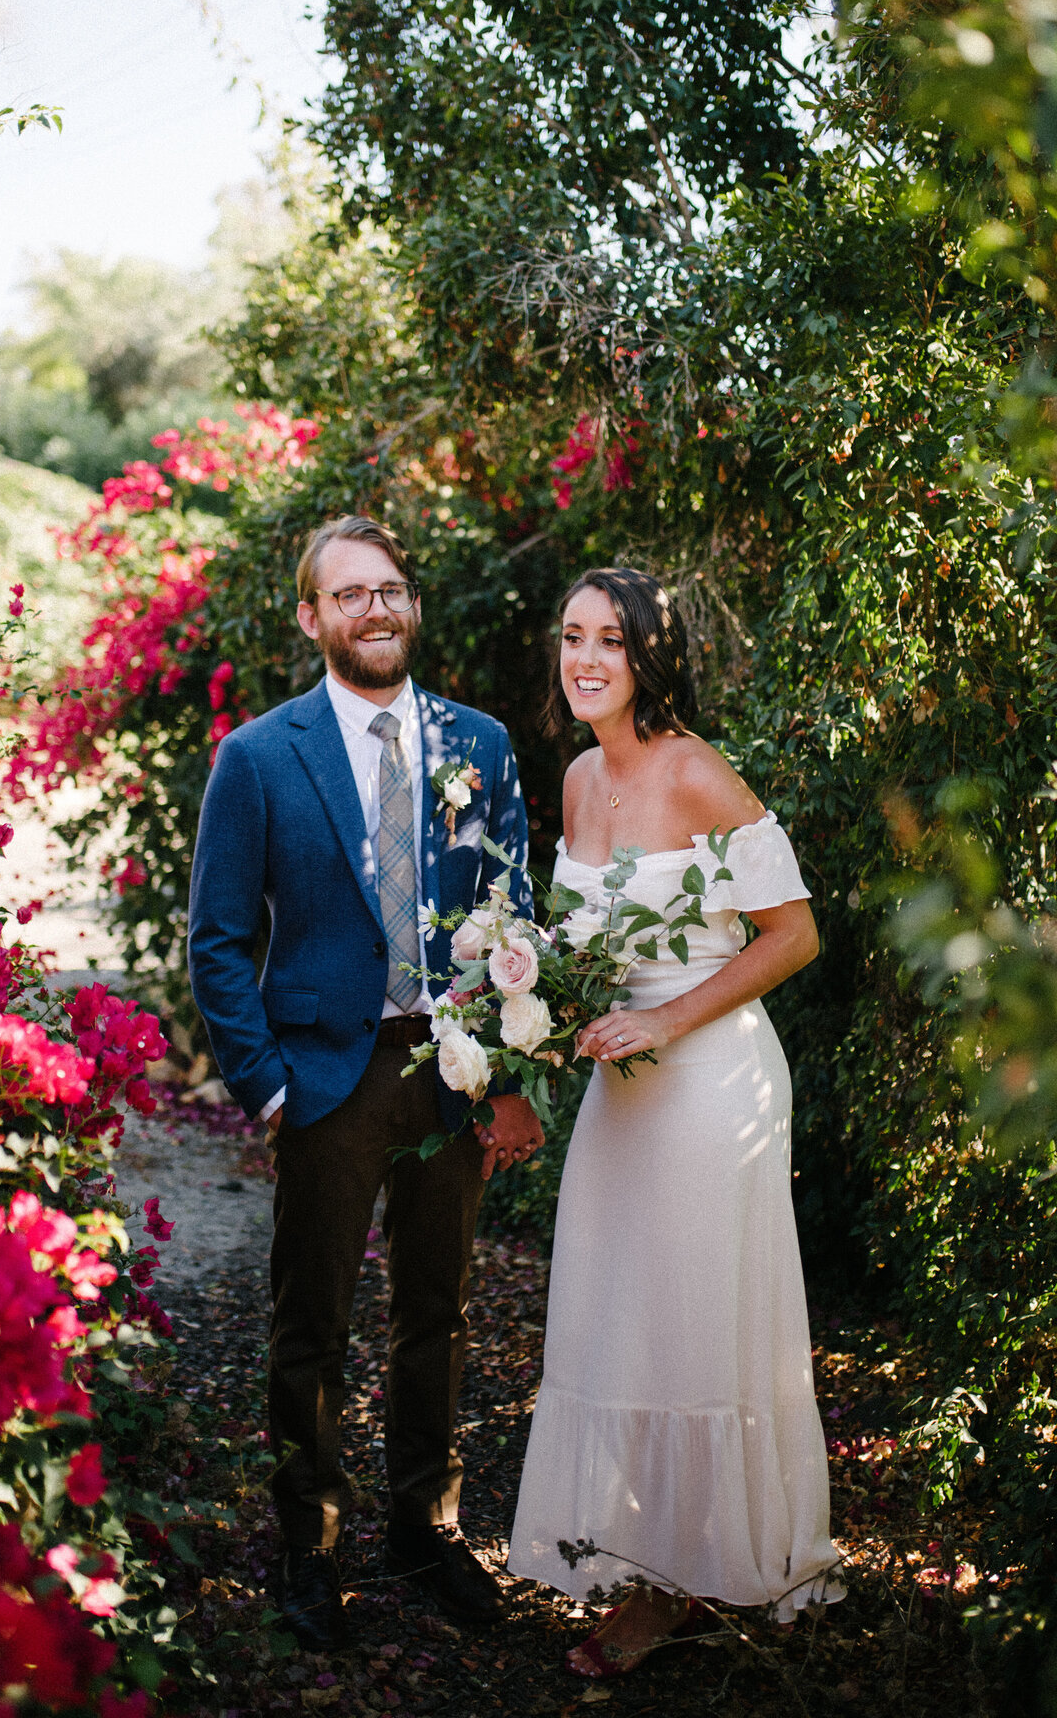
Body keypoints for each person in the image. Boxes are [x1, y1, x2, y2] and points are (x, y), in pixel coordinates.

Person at [187, 515, 541, 1651]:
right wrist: (269, 1086)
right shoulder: (259, 757)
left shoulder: (478, 744)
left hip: (453, 1071)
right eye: (351, 596)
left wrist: (502, 1071)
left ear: (413, 604)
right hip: (326, 1077)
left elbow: (512, 919)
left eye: (391, 590)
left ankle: (424, 1530)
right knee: (313, 1323)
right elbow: (217, 939)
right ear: (311, 617)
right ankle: (312, 1549)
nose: (377, 610)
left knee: (439, 1313)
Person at [506, 566, 844, 1678]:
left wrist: (667, 1021)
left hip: (713, 1088)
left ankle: (688, 1581)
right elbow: (583, 950)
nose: (587, 657)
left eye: (612, 638)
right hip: (625, 1096)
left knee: (698, 1322)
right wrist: (538, 1016)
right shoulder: (574, 780)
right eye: (572, 637)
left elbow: (791, 934)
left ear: (652, 656)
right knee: (620, 1317)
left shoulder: (701, 774)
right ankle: (647, 1549)